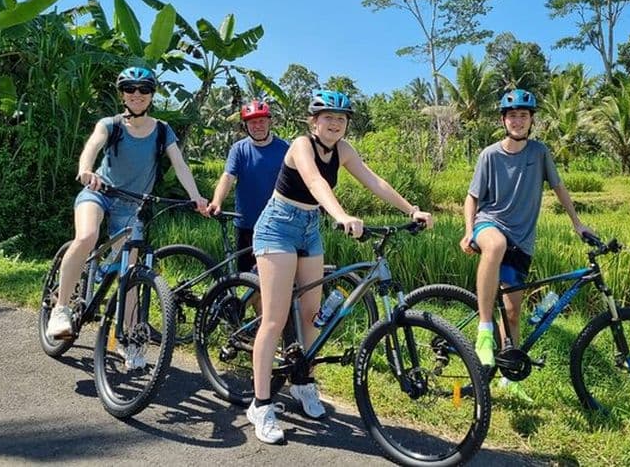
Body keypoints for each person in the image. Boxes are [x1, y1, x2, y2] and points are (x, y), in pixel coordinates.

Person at [246, 89, 433, 444]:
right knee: (274, 317)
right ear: (313, 121)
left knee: (312, 313)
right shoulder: (300, 145)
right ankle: (261, 404)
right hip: (277, 226)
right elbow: (315, 182)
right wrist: (342, 214)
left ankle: (302, 383)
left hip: (309, 228)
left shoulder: (344, 150)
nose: (335, 124)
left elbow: (374, 180)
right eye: (328, 118)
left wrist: (411, 209)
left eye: (341, 119)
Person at [46, 66, 209, 368]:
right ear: (122, 94)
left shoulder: (162, 130)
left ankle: (127, 337)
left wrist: (196, 196)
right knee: (86, 237)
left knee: (131, 274)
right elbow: (91, 146)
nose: (137, 94)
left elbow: (180, 164)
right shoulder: (111, 124)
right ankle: (61, 308)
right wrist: (86, 170)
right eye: (130, 89)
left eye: (143, 89)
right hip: (99, 193)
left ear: (151, 95)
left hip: (133, 206)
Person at [459, 88, 592, 401]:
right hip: (489, 224)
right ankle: (484, 329)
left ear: (531, 120)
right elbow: (472, 197)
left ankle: (509, 378)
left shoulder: (539, 152)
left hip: (522, 238)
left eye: (523, 115)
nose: (517, 121)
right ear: (503, 120)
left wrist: (577, 224)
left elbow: (558, 187)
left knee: (514, 312)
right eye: (512, 115)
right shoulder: (489, 155)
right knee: (494, 246)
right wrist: (468, 231)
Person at [207, 100, 289, 271]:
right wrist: (216, 201)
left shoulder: (284, 148)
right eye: (252, 122)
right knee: (246, 278)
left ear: (269, 122)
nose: (257, 126)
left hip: (277, 223)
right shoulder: (239, 149)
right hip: (246, 223)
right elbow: (228, 176)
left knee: (274, 273)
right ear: (246, 126)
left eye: (261, 121)